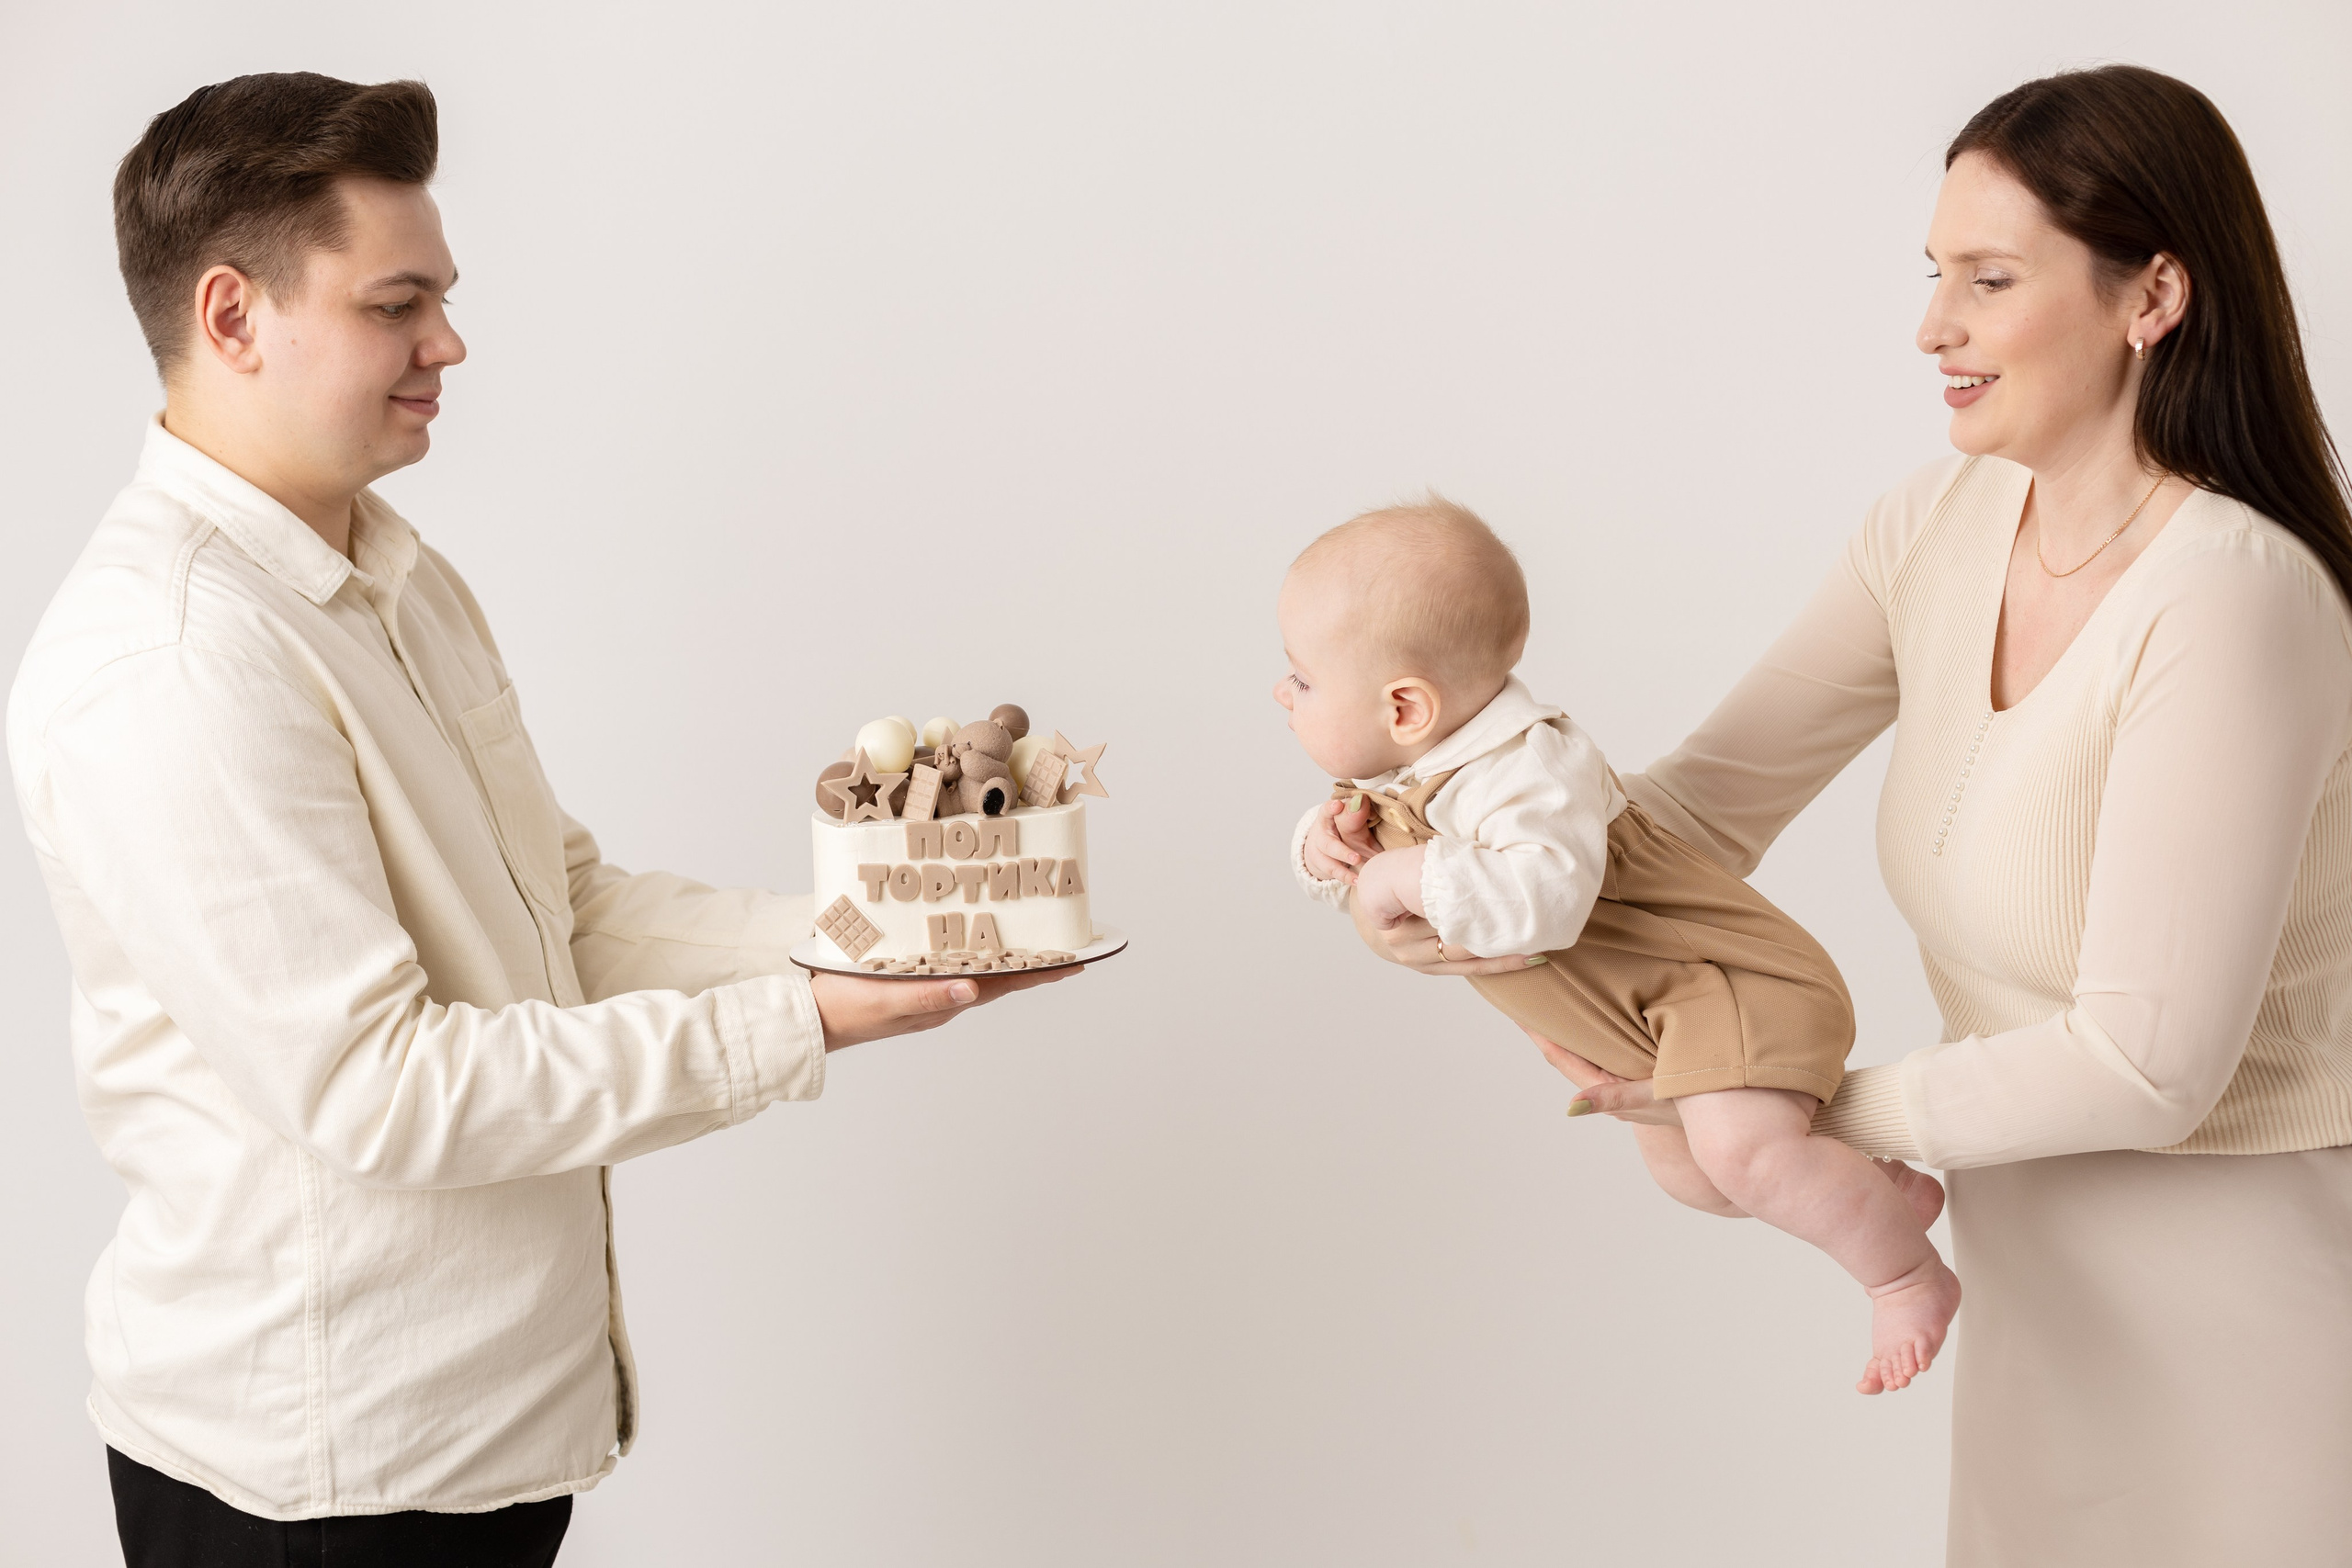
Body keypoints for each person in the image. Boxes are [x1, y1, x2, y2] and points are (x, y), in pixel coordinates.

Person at [6, 73, 1067, 1566]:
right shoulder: (173, 661)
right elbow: (382, 1088)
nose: (449, 342)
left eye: (441, 297)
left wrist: (876, 931)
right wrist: (811, 1020)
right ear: (234, 317)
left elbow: (558, 910)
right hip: (320, 1487)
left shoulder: (398, 577)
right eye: (398, 303)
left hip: (480, 1441)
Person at [1352, 65, 2352, 1565]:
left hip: (2246, 1292)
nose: (1931, 327)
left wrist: (1776, 1104)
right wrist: (1456, 842)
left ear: (2153, 293)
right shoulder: (1937, 526)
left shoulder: (2235, 598)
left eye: (1989, 279)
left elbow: (2151, 1067)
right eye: (1933, 274)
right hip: (2032, 1271)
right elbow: (1690, 821)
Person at [1278, 500, 1957, 1393]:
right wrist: (1324, 854)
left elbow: (1539, 904)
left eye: (1300, 680)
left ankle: (1905, 1275)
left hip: (1723, 984)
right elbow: (1370, 872)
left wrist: (1396, 884)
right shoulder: (1412, 776)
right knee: (1696, 1178)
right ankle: (1865, 1184)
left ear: (1405, 705)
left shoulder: (1525, 772)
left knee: (1742, 1154)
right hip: (1654, 1022)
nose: (1282, 697)